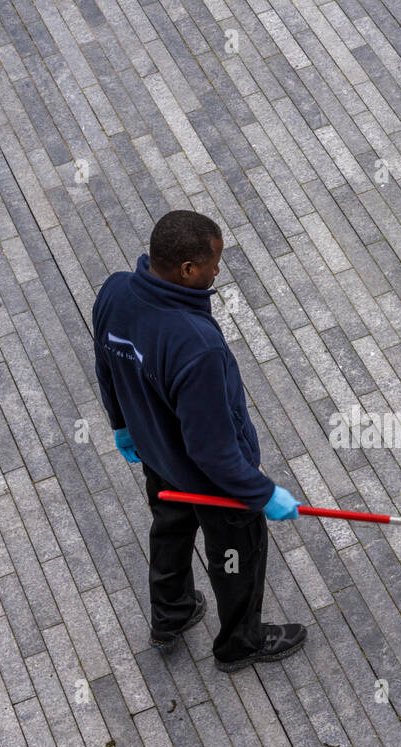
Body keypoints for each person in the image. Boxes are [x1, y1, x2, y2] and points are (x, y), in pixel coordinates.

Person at [92, 210, 307, 672]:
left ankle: (172, 615)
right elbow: (213, 451)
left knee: (170, 528)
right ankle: (239, 644)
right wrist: (261, 493)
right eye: (213, 264)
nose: (216, 272)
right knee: (233, 556)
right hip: (216, 485)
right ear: (188, 270)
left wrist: (123, 426)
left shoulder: (114, 292)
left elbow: (106, 362)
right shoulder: (196, 346)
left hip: (158, 458)